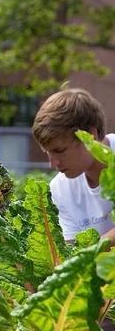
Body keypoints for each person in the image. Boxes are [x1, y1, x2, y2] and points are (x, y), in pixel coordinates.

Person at [32, 87, 115, 242]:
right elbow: (72, 249)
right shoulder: (59, 188)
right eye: (48, 153)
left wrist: (96, 248)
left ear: (90, 136)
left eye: (60, 150)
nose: (53, 163)